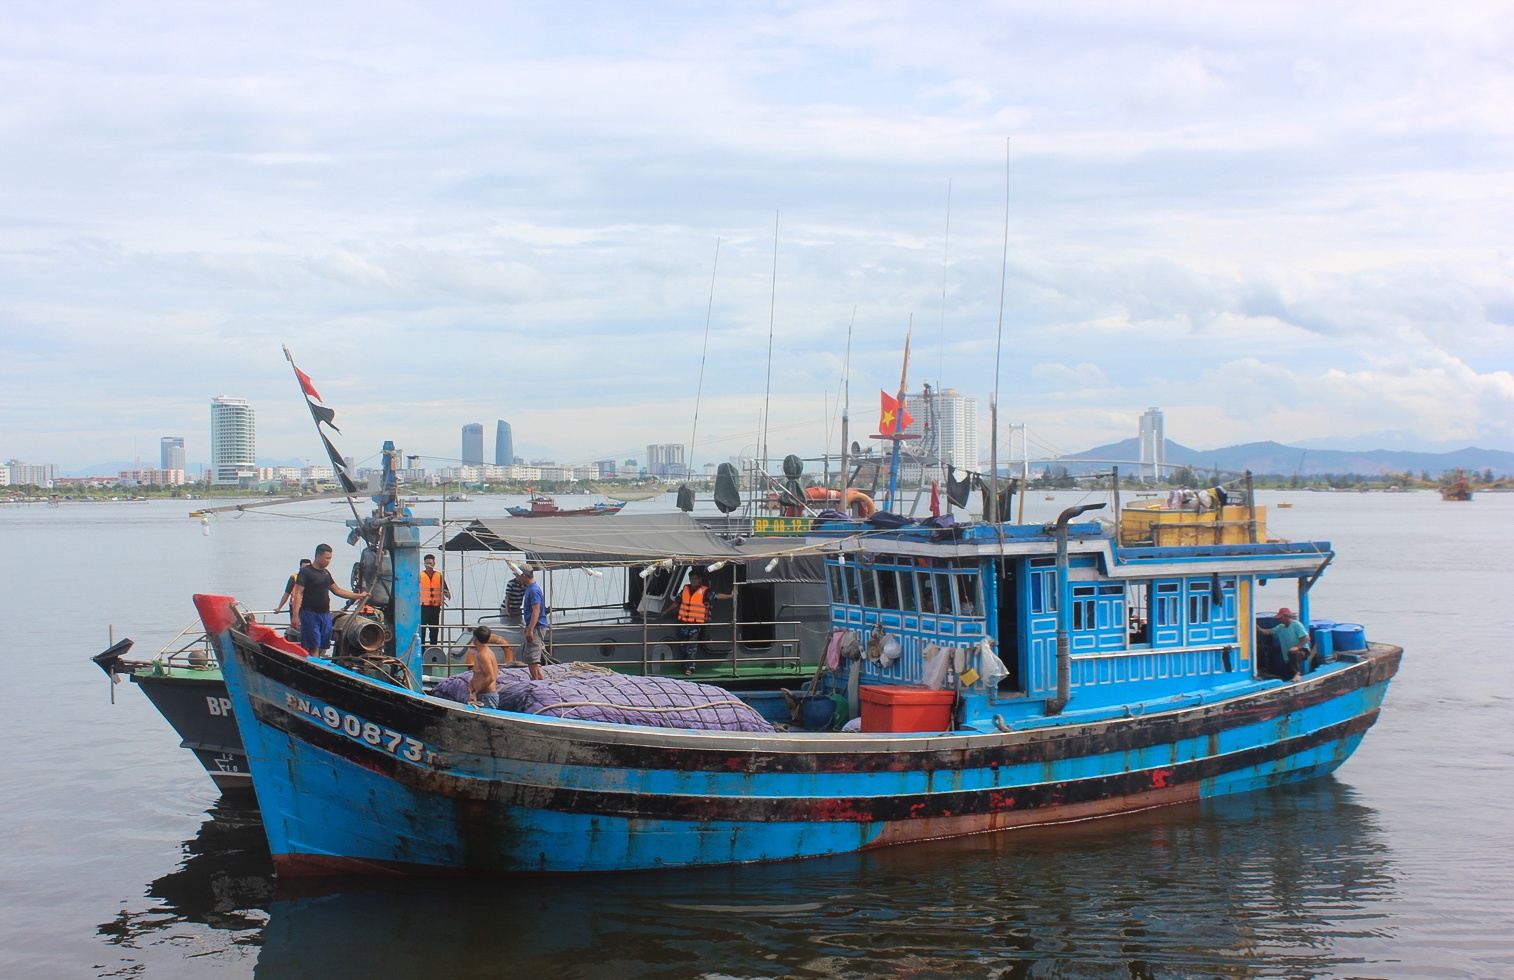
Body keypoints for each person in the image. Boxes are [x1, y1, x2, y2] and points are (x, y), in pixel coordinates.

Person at [290, 543, 369, 657]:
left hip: (325, 614)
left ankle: (318, 662)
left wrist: (359, 596)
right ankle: (314, 667)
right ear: (318, 556)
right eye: (326, 558)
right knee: (314, 645)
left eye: (330, 558)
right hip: (309, 613)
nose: (329, 561)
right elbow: (297, 594)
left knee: (323, 643)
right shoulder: (306, 571)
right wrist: (295, 616)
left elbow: (337, 590)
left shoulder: (326, 573)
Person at [673, 569, 731, 676]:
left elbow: (716, 596)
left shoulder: (705, 591)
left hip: (695, 625)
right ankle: (686, 664)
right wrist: (666, 612)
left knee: (691, 646)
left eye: (695, 578)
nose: (693, 580)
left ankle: (689, 668)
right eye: (691, 578)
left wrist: (729, 596)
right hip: (683, 623)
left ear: (699, 579)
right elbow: (677, 602)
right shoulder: (685, 589)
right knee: (682, 645)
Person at [518, 567, 547, 681]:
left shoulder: (534, 590)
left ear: (524, 576)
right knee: (529, 655)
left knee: (532, 657)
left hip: (536, 626)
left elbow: (536, 610)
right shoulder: (530, 589)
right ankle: (538, 677)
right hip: (534, 626)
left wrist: (530, 629)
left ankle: (536, 680)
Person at [419, 554, 451, 647]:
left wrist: (447, 593)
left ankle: (433, 648)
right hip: (423, 607)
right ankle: (422, 649)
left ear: (434, 564)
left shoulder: (439, 575)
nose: (429, 565)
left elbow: (445, 589)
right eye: (427, 563)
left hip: (435, 608)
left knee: (434, 630)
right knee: (422, 630)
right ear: (424, 563)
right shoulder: (420, 575)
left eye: (430, 563)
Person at [1271, 607, 1311, 681]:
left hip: (1302, 650)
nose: (1280, 619)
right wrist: (1257, 627)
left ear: (1287, 616)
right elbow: (1267, 631)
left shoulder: (1296, 624)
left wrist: (1298, 647)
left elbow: (1307, 638)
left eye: (1281, 617)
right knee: (1289, 662)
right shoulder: (1280, 627)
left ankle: (1298, 674)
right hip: (1288, 654)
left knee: (1292, 653)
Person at [465, 624, 501, 708]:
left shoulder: (483, 655)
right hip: (483, 694)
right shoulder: (487, 652)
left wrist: (475, 693)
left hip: (486, 696)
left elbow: (490, 676)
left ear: (475, 638)